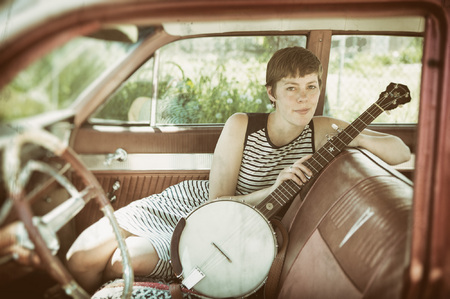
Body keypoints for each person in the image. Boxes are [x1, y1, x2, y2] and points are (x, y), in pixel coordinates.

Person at [66, 46, 411, 293]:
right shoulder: (242, 125)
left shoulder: (322, 130)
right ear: (272, 93)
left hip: (234, 230)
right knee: (80, 256)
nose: (303, 99)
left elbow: (399, 151)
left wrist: (355, 137)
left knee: (119, 263)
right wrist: (273, 188)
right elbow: (217, 201)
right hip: (196, 205)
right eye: (291, 88)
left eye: (312, 87)